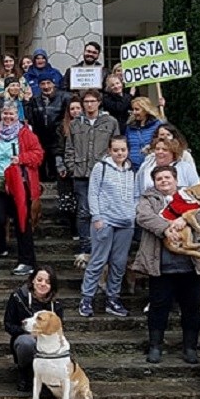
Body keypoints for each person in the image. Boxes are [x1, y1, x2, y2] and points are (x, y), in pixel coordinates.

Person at [132, 165, 200, 364]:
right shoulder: (148, 199)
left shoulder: (190, 194)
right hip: (161, 265)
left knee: (192, 307)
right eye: (159, 179)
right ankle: (155, 346)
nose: (164, 181)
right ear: (154, 182)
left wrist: (184, 219)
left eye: (167, 178)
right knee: (158, 307)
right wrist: (165, 228)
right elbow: (144, 217)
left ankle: (190, 347)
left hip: (191, 265)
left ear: (175, 179)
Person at [0, 100, 43, 276]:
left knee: (22, 223)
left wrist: (21, 158)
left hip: (20, 186)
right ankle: (0, 247)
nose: (7, 117)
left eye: (11, 114)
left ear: (17, 116)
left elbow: (38, 155)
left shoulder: (26, 134)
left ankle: (27, 261)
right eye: (5, 113)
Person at [78, 135, 137, 318]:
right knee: (98, 260)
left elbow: (136, 194)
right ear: (110, 151)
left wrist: (132, 213)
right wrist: (97, 216)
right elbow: (93, 192)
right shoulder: (101, 167)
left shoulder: (131, 170)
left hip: (126, 223)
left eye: (123, 150)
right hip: (105, 220)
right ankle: (87, 298)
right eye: (116, 150)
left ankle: (113, 298)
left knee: (119, 263)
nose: (120, 153)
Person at [63, 89, 120, 263]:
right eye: (86, 101)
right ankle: (85, 247)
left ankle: (102, 245)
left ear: (99, 102)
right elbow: (69, 147)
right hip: (81, 174)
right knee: (83, 211)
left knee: (104, 211)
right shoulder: (75, 124)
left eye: (92, 101)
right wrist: (72, 167)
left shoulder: (110, 122)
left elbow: (116, 145)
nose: (89, 104)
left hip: (103, 173)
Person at [4, 265, 63, 392]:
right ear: (33, 280)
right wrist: (28, 332)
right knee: (26, 343)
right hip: (25, 339)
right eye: (39, 280)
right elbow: (8, 325)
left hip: (47, 342)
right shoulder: (17, 297)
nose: (43, 284)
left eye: (47, 282)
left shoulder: (56, 305)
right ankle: (25, 374)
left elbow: (58, 329)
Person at [135, 137, 200, 192]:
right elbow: (137, 190)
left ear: (173, 152)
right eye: (157, 149)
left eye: (165, 149)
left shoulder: (185, 168)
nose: (160, 152)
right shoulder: (146, 167)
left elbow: (196, 189)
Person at [126, 96, 164, 171]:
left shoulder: (157, 125)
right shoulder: (129, 127)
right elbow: (127, 145)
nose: (134, 112)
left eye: (137, 109)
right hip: (133, 166)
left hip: (152, 165)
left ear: (145, 110)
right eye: (133, 109)